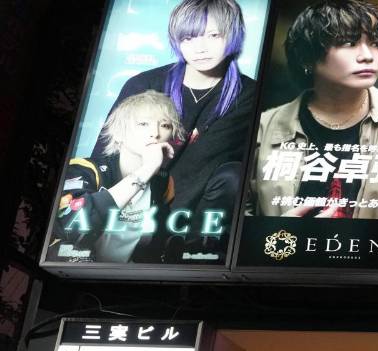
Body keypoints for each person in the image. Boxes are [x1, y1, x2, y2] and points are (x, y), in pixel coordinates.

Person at [93, 0, 257, 258]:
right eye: (189, 37)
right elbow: (105, 153)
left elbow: (207, 163)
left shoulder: (248, 95)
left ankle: (188, 246)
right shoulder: (144, 83)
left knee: (231, 171)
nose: (200, 48)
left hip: (191, 219)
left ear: (233, 34)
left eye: (213, 35)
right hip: (132, 202)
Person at [251, 0, 378, 219]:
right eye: (349, 43)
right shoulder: (264, 126)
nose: (367, 55)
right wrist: (278, 231)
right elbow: (243, 209)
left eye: (375, 43)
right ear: (308, 56)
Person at [52, 91, 182, 263]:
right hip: (73, 277)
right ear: (119, 133)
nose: (155, 133)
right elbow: (70, 227)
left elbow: (157, 240)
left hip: (123, 280)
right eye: (143, 123)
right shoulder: (84, 170)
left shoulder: (163, 182)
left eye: (165, 125)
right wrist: (146, 169)